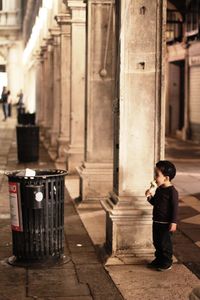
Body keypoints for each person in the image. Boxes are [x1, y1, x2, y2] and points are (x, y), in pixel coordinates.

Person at [145, 160, 179, 271]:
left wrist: (173, 222)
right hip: (157, 221)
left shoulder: (172, 192)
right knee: (157, 242)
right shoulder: (160, 189)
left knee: (165, 244)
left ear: (166, 178)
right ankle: (159, 259)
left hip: (166, 223)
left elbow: (175, 208)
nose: (155, 177)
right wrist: (150, 196)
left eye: (157, 175)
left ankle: (167, 262)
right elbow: (155, 202)